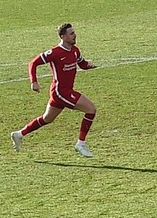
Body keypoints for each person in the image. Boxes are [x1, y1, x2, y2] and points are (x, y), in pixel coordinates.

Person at [11, 23, 99, 158]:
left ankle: (19, 134)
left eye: (74, 32)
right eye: (71, 33)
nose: (74, 35)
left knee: (47, 119)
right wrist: (34, 81)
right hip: (60, 92)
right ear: (63, 37)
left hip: (65, 91)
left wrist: (89, 65)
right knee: (91, 109)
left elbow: (82, 64)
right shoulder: (55, 53)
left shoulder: (75, 50)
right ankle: (81, 144)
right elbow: (33, 63)